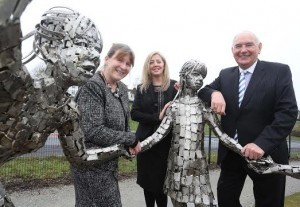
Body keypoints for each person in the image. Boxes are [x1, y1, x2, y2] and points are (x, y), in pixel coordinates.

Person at [198, 31, 298, 207]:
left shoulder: (279, 71)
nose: (243, 50)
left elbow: (287, 113)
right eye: (238, 46)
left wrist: (262, 144)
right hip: (232, 156)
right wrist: (215, 93)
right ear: (232, 50)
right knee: (226, 200)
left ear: (259, 48)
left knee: (269, 203)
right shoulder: (225, 75)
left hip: (267, 155)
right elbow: (203, 90)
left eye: (249, 45)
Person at [72, 43, 141, 207]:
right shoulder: (92, 86)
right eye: (120, 60)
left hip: (109, 164)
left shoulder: (122, 89)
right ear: (107, 59)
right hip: (91, 166)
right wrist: (130, 139)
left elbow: (124, 121)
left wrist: (125, 147)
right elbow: (92, 131)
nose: (124, 67)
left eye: (128, 63)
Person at [131, 51, 177, 207]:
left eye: (158, 61)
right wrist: (157, 117)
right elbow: (134, 113)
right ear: (148, 66)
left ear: (164, 65)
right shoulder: (142, 88)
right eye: (151, 62)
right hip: (146, 142)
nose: (155, 64)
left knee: (162, 182)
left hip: (167, 143)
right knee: (147, 181)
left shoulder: (175, 86)